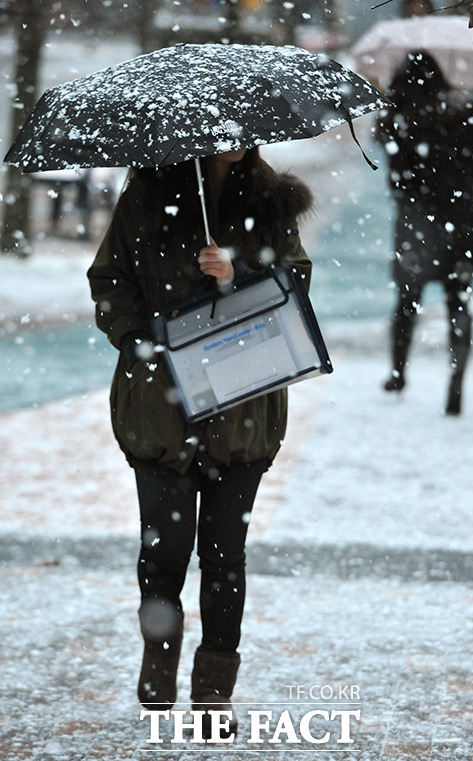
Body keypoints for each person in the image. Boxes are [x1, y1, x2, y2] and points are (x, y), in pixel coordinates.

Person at [87, 148, 312, 737]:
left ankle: (214, 689)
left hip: (244, 406)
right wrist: (144, 344)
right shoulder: (145, 194)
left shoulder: (272, 199)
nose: (221, 142)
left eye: (231, 133)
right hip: (160, 412)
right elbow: (109, 280)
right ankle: (159, 663)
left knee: (223, 557)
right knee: (163, 552)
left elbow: (297, 282)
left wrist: (238, 276)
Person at [376, 51, 473, 414]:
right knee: (459, 300)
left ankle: (397, 372)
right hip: (460, 218)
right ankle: (455, 385)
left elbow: (397, 179)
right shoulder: (466, 109)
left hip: (416, 221)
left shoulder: (399, 115)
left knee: (407, 301)